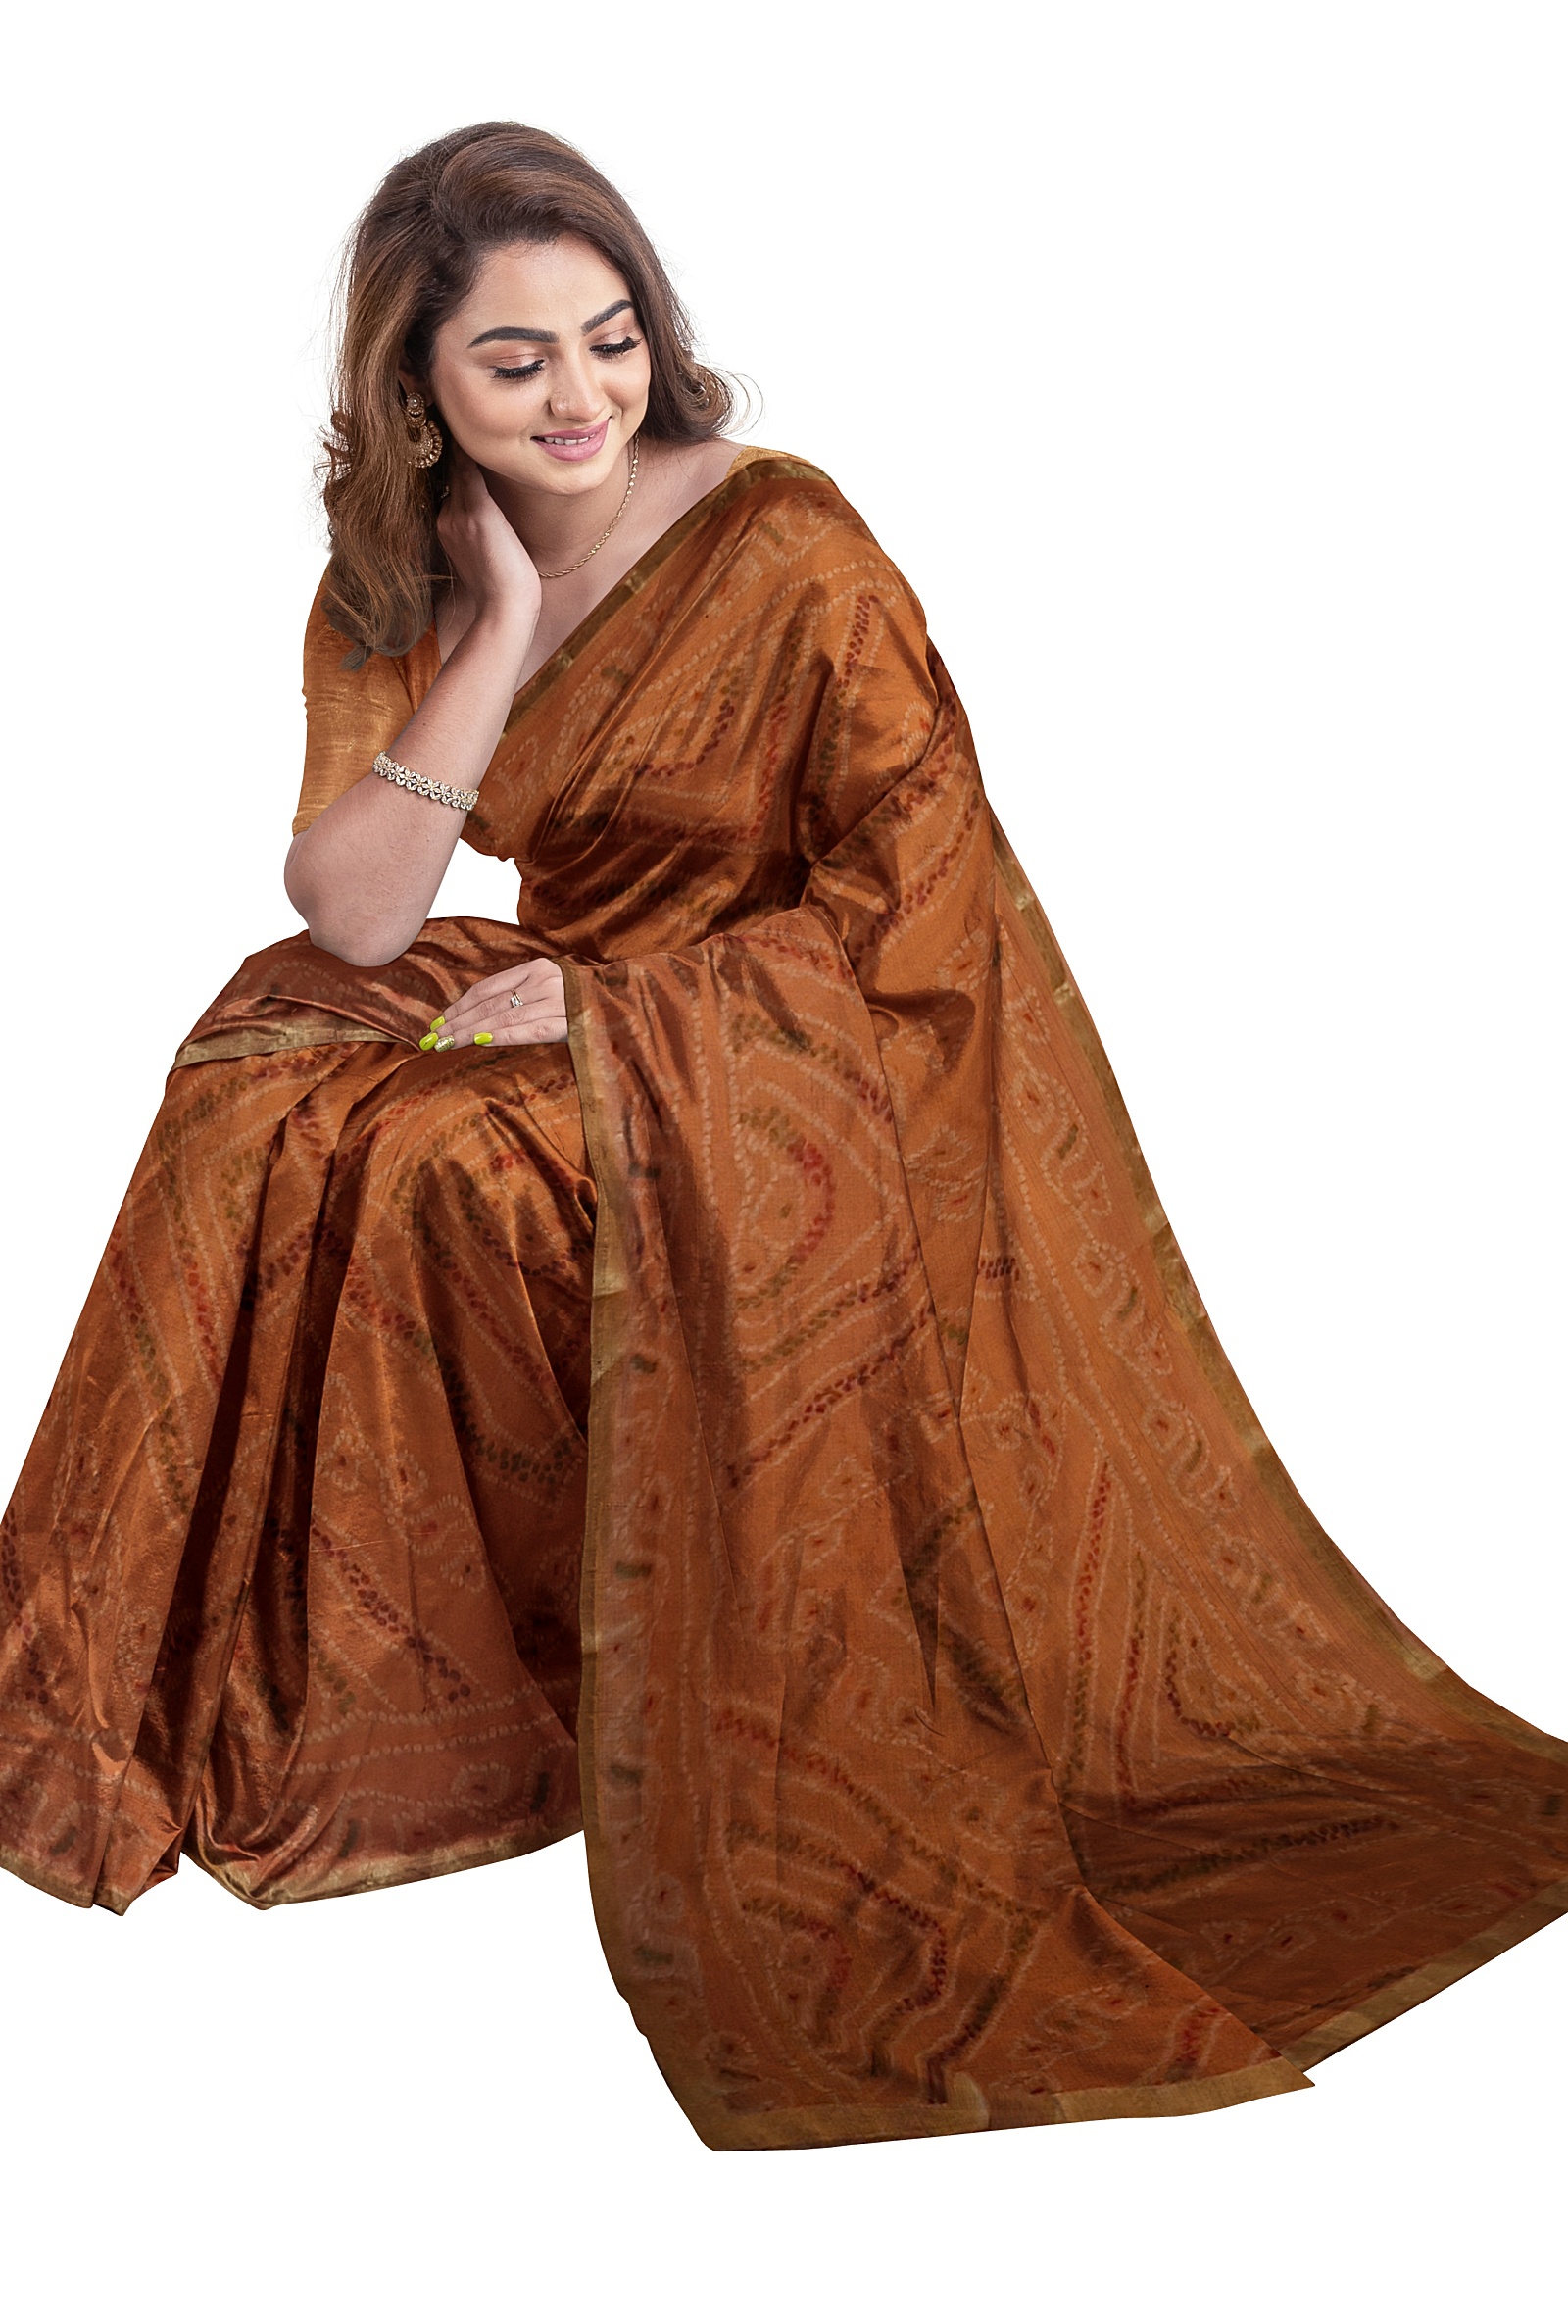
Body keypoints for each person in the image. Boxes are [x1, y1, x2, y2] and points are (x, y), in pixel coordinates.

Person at [1, 122, 1562, 2153]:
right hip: (579, 980)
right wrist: (493, 627)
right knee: (256, 1081)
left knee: (437, 1159)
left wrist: (627, 1012)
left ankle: (528, 1707)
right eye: (514, 362)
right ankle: (226, 1691)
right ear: (418, 389)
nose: (581, 398)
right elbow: (356, 914)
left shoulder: (787, 547)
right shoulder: (404, 577)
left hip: (808, 1036)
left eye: (609, 339)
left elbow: (920, 894)